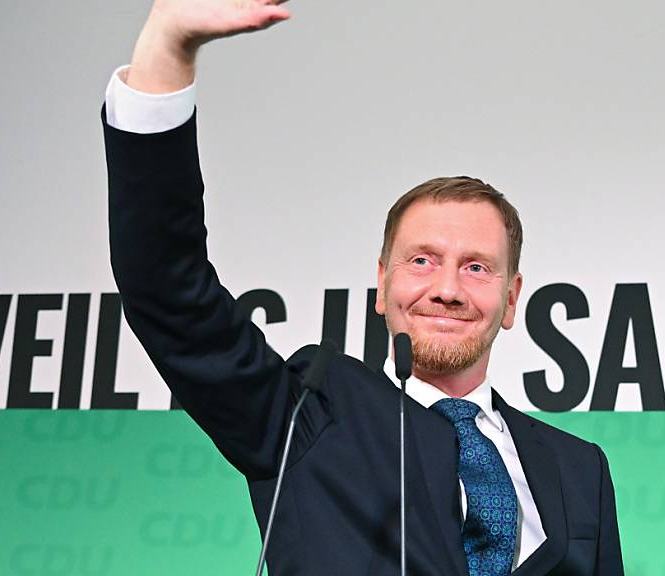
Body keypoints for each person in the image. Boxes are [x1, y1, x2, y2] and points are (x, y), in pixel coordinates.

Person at [102, 1, 623, 574]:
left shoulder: (580, 468)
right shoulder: (310, 413)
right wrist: (167, 45)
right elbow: (168, 288)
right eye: (422, 261)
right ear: (382, 284)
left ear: (511, 298)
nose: (447, 288)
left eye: (476, 268)